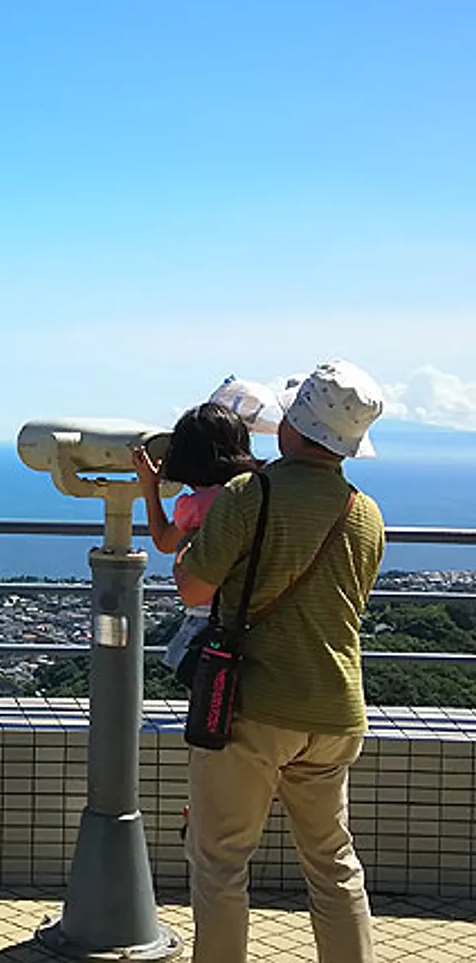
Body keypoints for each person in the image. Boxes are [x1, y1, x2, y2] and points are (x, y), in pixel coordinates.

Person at [174, 360, 386, 963]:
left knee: (221, 861)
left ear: (295, 426)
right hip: (336, 710)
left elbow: (193, 589)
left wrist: (185, 553)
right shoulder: (365, 512)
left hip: (253, 707)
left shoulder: (250, 494)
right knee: (333, 862)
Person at [134, 401, 264, 672]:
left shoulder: (198, 505)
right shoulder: (256, 493)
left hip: (209, 618)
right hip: (255, 614)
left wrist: (149, 486)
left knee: (207, 691)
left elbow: (164, 540)